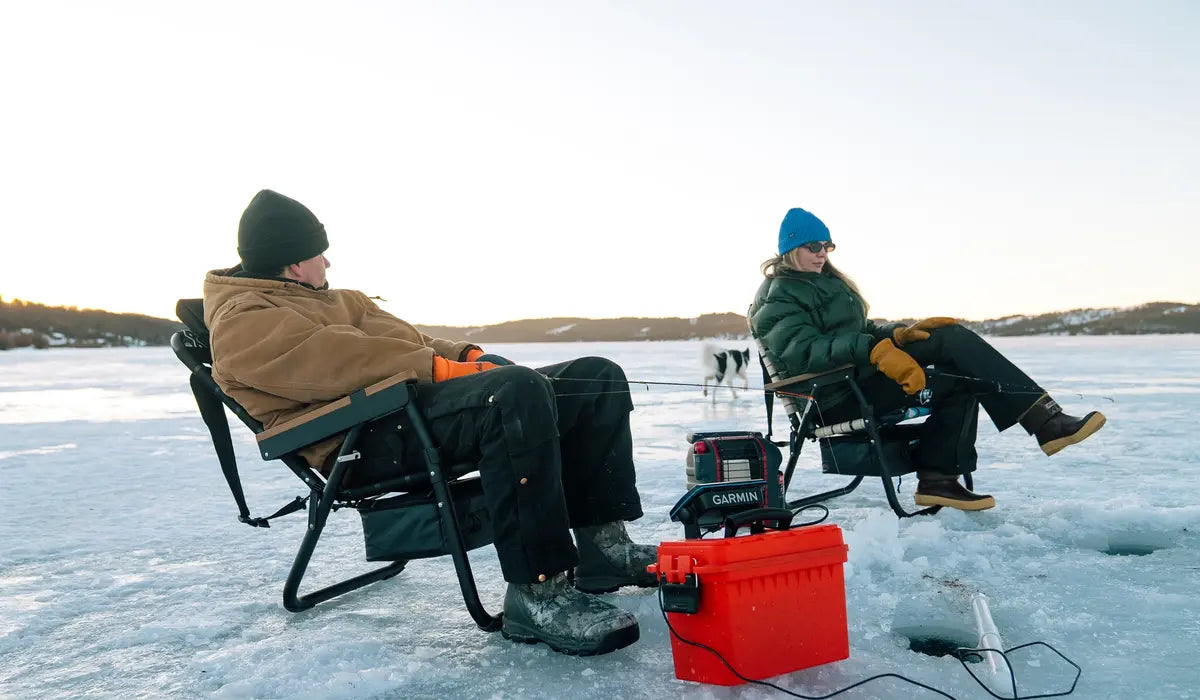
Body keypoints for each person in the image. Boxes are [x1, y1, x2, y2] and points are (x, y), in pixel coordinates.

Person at [203, 189, 657, 656]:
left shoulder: (337, 299)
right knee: (512, 395)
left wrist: (466, 355)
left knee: (595, 377)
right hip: (357, 441)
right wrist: (438, 370)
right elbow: (336, 360)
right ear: (294, 263)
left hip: (405, 413)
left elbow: (410, 338)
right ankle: (537, 592)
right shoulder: (244, 319)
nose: (327, 263)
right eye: (320, 253)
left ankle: (604, 549)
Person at [748, 207, 1107, 511]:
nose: (823, 252)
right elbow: (804, 351)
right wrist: (873, 350)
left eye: (827, 245)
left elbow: (861, 328)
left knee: (951, 346)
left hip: (857, 378)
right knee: (956, 374)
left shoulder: (825, 283)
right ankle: (1041, 423)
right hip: (833, 397)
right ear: (791, 248)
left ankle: (944, 476)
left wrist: (896, 334)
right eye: (814, 246)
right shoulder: (778, 295)